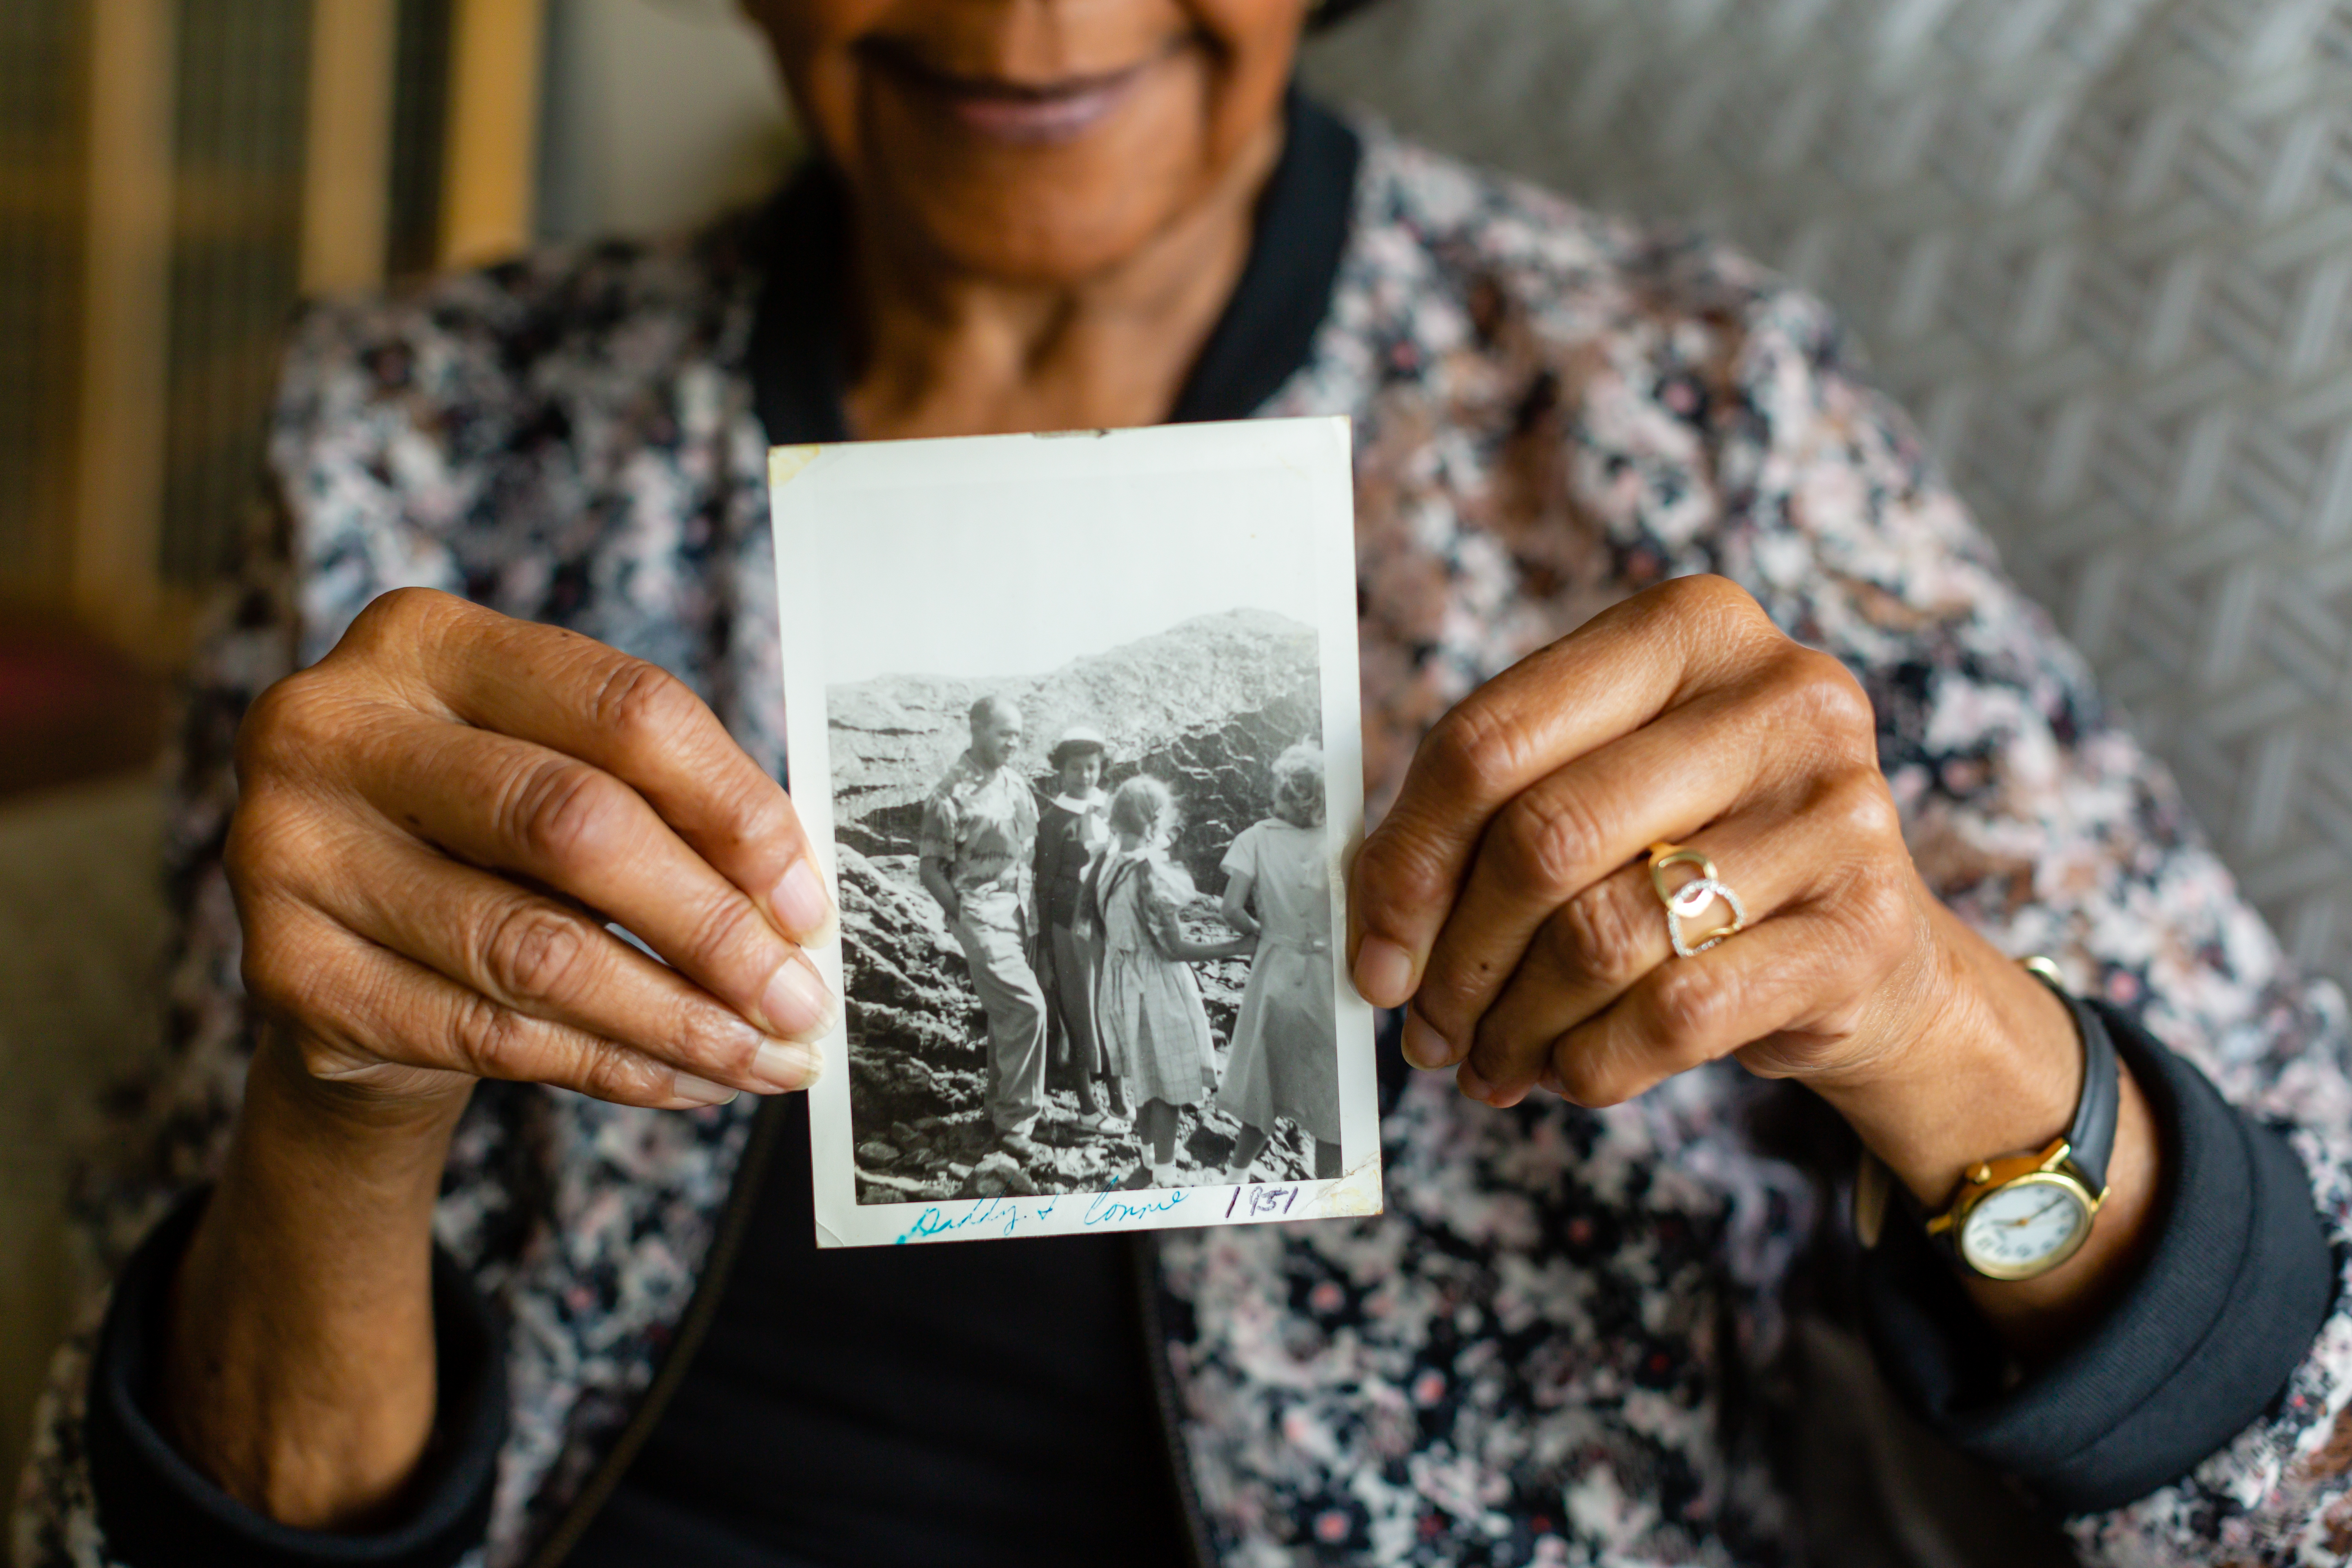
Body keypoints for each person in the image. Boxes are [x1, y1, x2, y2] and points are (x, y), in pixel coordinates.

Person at [18, 0, 2352, 1562]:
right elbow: (112, 1510)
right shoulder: (424, 433)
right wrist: (329, 1122)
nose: (1032, 9)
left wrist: (1933, 1029)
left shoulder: (1673, 408)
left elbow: (2310, 1446)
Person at [1091, 776, 1253, 1188]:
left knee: (1143, 1073)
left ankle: (1148, 1155)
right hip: (1156, 985)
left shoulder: (1103, 862)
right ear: (1156, 819)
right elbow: (1173, 949)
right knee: (1166, 1081)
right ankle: (1165, 1173)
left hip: (1119, 980)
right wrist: (1237, 947)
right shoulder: (1148, 871)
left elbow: (1098, 931)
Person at [918, 694, 1050, 1161]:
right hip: (980, 917)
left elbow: (1030, 849)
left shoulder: (1015, 783)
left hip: (1018, 915)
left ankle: (998, 1109)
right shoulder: (949, 794)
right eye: (1003, 733)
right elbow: (930, 870)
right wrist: (964, 917)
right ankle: (1017, 1124)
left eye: (1017, 734)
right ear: (976, 729)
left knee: (1005, 1018)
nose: (1013, 743)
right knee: (1027, 1009)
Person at [1214, 743, 1340, 1184]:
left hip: (1275, 972)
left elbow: (1229, 909)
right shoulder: (1341, 839)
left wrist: (1261, 933)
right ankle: (1332, 1198)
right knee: (1334, 1104)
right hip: (1331, 979)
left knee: (1264, 1084)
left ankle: (1235, 1179)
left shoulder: (1256, 837)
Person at [1031, 724, 1125, 1133]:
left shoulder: (1112, 810)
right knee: (1079, 1009)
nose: (1085, 776)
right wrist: (1050, 946)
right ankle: (1088, 1105)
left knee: (1112, 1006)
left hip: (1109, 926)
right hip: (1070, 928)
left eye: (1092, 767)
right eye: (1075, 768)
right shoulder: (1054, 821)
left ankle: (1120, 1097)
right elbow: (1045, 885)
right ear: (1061, 770)